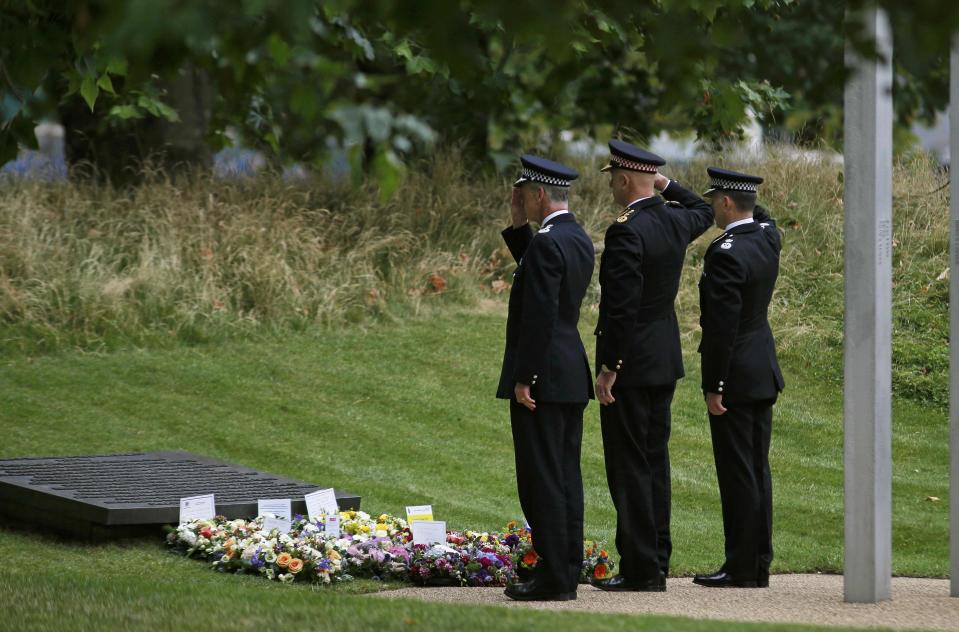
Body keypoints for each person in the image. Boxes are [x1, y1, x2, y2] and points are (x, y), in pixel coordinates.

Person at [591, 140, 714, 592]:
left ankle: (642, 568)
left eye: (613, 179)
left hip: (633, 365)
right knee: (654, 462)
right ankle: (656, 557)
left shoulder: (627, 230)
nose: (611, 187)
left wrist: (610, 367)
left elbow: (622, 308)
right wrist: (664, 182)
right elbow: (702, 208)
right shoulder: (673, 219)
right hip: (662, 359)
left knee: (629, 466)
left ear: (624, 180)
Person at [498, 154, 595, 601]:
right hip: (569, 371)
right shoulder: (573, 237)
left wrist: (525, 378)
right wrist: (518, 225)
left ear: (538, 194)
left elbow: (537, 314)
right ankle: (565, 567)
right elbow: (538, 274)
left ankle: (554, 577)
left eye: (525, 197)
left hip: (545, 374)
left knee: (541, 479)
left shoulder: (548, 242)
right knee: (564, 475)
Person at [693, 167, 785, 589]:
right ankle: (757, 561)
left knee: (737, 474)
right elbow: (760, 212)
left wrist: (715, 385)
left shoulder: (727, 252)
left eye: (715, 200)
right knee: (756, 468)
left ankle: (741, 566)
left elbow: (720, 329)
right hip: (761, 369)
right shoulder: (767, 237)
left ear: (727, 203)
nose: (712, 206)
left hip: (737, 374)